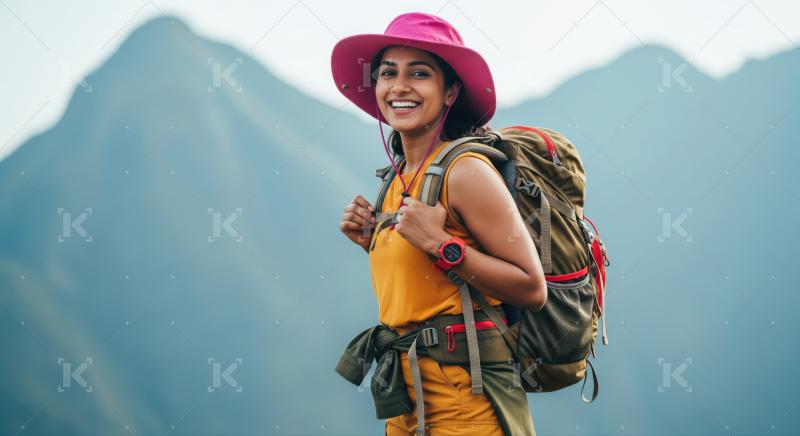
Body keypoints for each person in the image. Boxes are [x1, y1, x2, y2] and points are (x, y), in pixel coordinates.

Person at [333, 12, 546, 435]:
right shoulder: (398, 179)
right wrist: (374, 242)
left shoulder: (466, 172)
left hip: (466, 405)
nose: (400, 86)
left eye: (419, 73)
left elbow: (531, 287)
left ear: (449, 93)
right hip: (406, 402)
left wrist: (442, 245)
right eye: (388, 73)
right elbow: (428, 292)